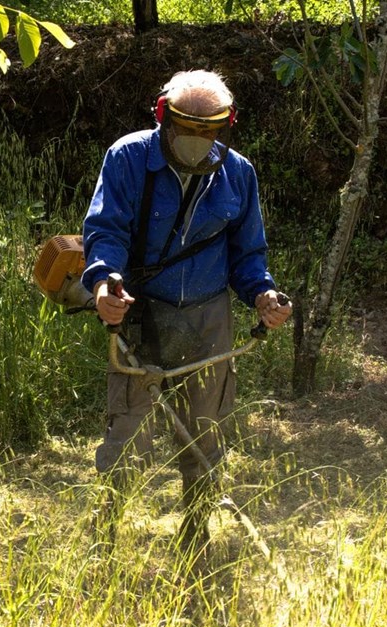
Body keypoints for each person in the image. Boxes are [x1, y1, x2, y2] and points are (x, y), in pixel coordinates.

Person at [80, 70, 292, 571]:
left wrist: (262, 295)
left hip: (207, 318)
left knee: (204, 433)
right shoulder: (128, 158)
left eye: (209, 128)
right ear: (163, 116)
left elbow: (248, 254)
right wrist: (105, 282)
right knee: (127, 435)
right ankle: (105, 540)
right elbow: (105, 229)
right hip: (141, 312)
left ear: (225, 126)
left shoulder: (239, 174)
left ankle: (195, 537)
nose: (197, 138)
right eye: (186, 125)